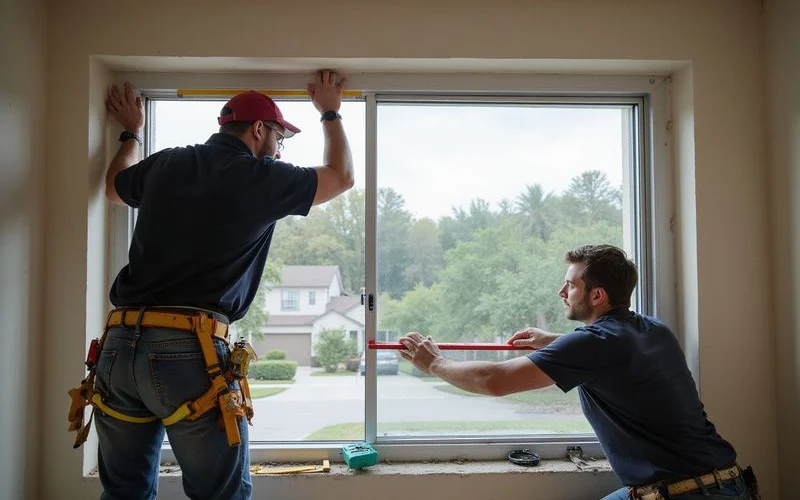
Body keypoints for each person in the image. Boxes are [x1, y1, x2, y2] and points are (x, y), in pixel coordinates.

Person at [80, 70, 353, 500]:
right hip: (188, 352)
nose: (279, 150)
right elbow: (341, 176)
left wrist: (131, 132)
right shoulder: (262, 177)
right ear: (259, 130)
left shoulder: (168, 161)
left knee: (123, 494)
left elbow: (116, 188)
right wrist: (331, 111)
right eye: (279, 139)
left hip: (118, 349)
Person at [399, 244, 758, 500]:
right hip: (727, 483)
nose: (562, 291)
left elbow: (494, 380)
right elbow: (615, 356)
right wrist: (553, 342)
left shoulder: (594, 344)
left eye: (570, 285)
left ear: (597, 295)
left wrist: (435, 363)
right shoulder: (653, 330)